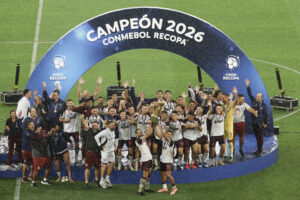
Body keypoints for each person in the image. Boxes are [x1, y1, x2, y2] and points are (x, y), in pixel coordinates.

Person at [245, 79, 269, 157]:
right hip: (254, 123)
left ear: (261, 98)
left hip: (260, 123)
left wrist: (266, 123)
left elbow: (267, 115)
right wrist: (248, 86)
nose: (257, 97)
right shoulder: (254, 102)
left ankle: (260, 150)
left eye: (258, 97)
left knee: (260, 137)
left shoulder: (264, 105)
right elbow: (250, 94)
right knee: (256, 136)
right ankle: (258, 149)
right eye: (256, 96)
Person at [154, 125, 178, 195]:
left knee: (168, 175)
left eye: (170, 134)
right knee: (162, 174)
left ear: (172, 136)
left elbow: (163, 134)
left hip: (168, 161)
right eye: (168, 134)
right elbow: (157, 134)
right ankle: (165, 187)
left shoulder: (171, 141)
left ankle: (174, 188)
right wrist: (155, 126)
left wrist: (159, 126)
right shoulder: (164, 139)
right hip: (163, 160)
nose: (168, 135)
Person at [94, 120, 116, 189]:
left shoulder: (113, 131)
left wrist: (114, 146)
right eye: (113, 125)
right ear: (109, 125)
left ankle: (107, 178)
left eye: (114, 125)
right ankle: (101, 180)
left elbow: (113, 139)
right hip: (105, 151)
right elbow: (96, 137)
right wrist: (100, 145)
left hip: (111, 150)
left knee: (112, 164)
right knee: (104, 165)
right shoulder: (104, 132)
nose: (114, 126)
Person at [81, 118, 101, 189]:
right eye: (93, 125)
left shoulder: (100, 132)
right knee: (87, 167)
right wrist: (83, 119)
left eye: (95, 125)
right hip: (89, 152)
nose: (94, 126)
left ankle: (96, 180)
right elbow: (85, 124)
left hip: (97, 152)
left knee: (97, 167)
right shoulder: (88, 130)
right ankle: (86, 182)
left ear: (98, 126)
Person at [59, 99, 80, 164]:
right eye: (69, 103)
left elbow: (81, 108)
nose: (70, 104)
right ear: (67, 104)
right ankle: (64, 158)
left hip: (75, 130)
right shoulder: (64, 111)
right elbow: (60, 119)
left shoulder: (76, 111)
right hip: (66, 131)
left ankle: (76, 158)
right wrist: (64, 120)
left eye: (71, 103)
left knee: (77, 144)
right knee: (64, 145)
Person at [135, 127, 154, 196]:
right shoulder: (138, 140)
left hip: (149, 158)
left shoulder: (141, 138)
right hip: (145, 159)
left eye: (141, 132)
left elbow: (148, 133)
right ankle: (139, 190)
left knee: (149, 174)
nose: (140, 133)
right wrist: (151, 125)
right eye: (139, 132)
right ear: (136, 134)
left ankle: (147, 188)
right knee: (144, 175)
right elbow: (149, 133)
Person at [195, 99, 212, 168]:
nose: (199, 110)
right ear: (196, 110)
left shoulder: (204, 116)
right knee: (198, 150)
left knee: (206, 149)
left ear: (202, 110)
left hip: (204, 135)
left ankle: (204, 161)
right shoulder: (194, 118)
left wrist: (210, 105)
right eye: (197, 109)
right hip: (197, 136)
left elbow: (210, 111)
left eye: (200, 109)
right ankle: (199, 161)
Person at [223, 88, 238, 163]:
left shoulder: (231, 105)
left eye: (224, 97)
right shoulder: (221, 106)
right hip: (221, 127)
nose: (223, 98)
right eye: (222, 97)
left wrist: (235, 94)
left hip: (229, 126)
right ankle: (225, 154)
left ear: (227, 98)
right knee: (223, 141)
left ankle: (231, 155)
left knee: (229, 141)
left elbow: (237, 101)